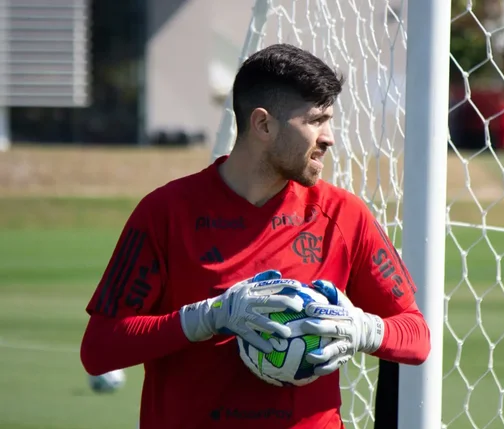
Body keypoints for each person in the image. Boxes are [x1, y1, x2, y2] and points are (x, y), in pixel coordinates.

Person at [80, 43, 430, 429]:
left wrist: (362, 328)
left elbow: (416, 336)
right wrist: (210, 317)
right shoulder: (165, 213)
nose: (329, 137)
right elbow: (99, 349)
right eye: (316, 120)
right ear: (263, 125)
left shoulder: (345, 216)